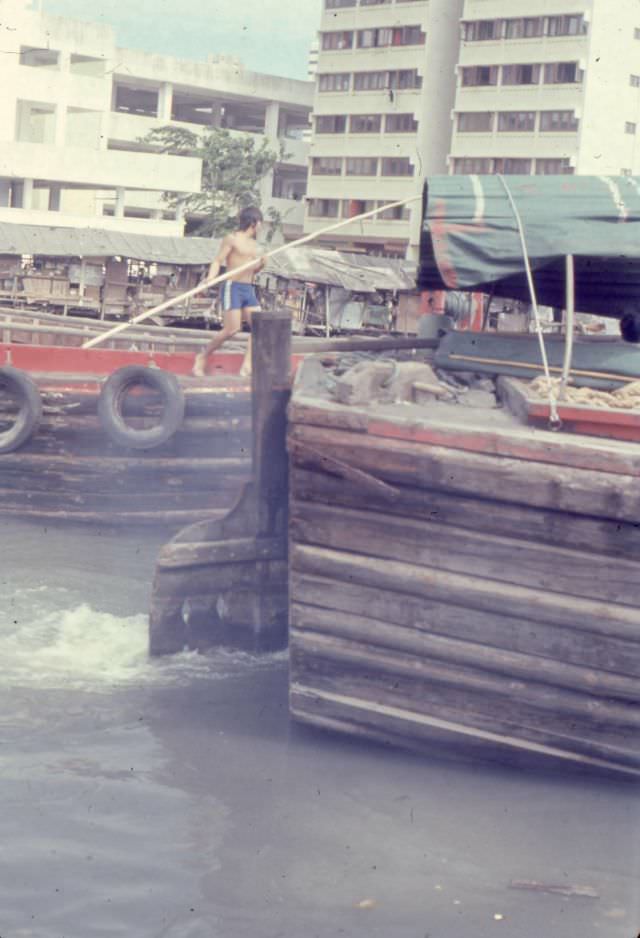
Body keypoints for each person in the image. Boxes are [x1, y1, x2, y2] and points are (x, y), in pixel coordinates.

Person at [193, 206, 265, 377]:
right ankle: (202, 356)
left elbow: (252, 271)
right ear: (254, 222)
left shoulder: (255, 246)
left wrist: (261, 264)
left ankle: (247, 365)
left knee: (260, 328)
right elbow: (217, 260)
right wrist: (211, 277)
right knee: (232, 329)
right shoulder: (232, 239)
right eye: (261, 223)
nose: (261, 227)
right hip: (232, 287)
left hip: (248, 288)